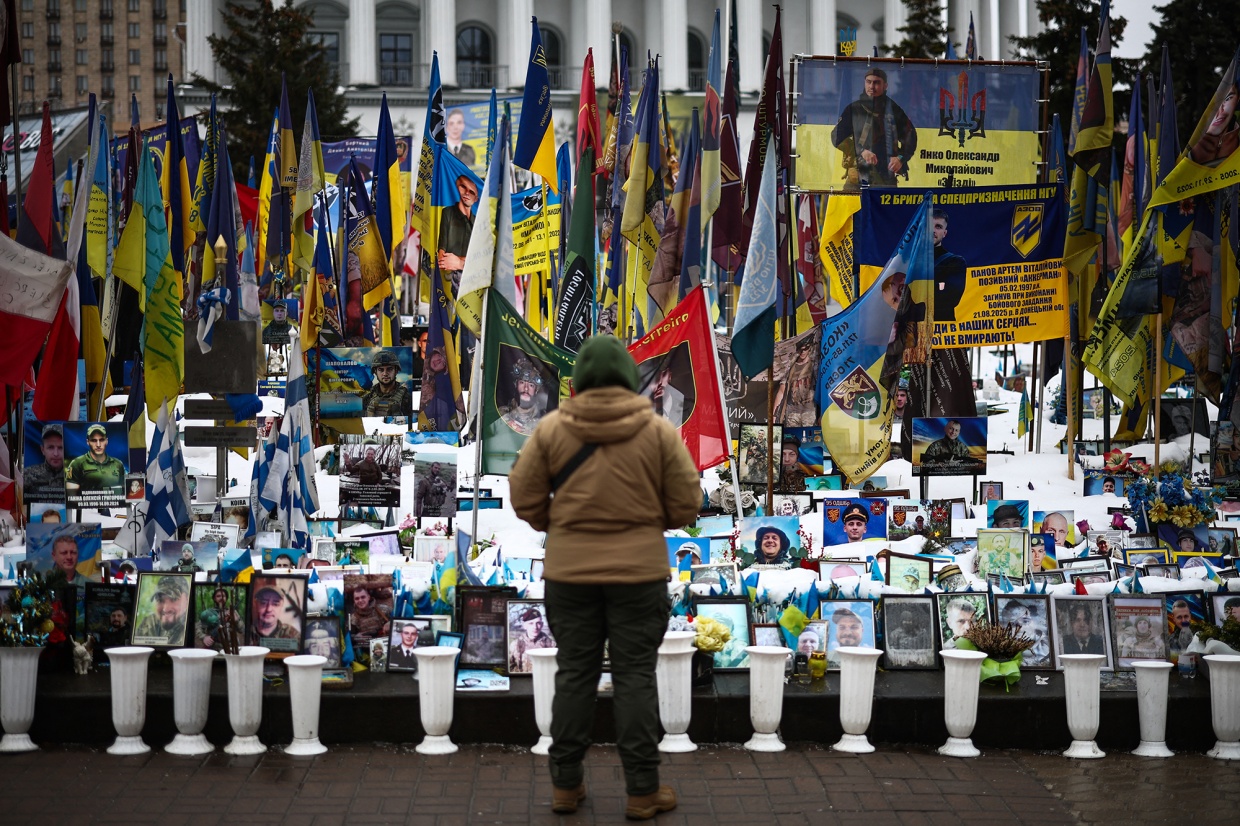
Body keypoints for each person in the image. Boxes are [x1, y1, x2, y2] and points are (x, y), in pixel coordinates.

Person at [508, 335, 700, 819]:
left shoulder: (552, 430)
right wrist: (644, 519)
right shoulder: (656, 432)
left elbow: (524, 495)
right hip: (639, 575)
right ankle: (641, 791)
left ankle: (566, 787)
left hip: (570, 576)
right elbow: (685, 504)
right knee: (636, 677)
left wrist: (559, 524)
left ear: (583, 380)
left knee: (576, 674)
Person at [830, 67, 917, 189]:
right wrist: (861, 151)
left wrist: (900, 159)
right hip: (857, 178)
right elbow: (836, 137)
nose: (871, 86)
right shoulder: (854, 109)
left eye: (876, 82)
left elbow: (911, 138)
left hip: (885, 178)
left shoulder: (894, 110)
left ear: (885, 85)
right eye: (868, 82)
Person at [437, 174, 479, 294]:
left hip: (472, 287)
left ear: (476, 198)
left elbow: (483, 263)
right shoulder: (448, 213)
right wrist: (469, 262)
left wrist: (459, 262)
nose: (466, 193)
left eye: (471, 191)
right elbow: (442, 260)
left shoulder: (478, 223)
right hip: (447, 286)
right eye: (463, 187)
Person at [1188, 82, 1239, 167]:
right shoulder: (1192, 155)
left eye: (1227, 99)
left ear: (1237, 100)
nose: (1220, 111)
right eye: (1215, 105)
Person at [65, 424, 126, 495]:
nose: (98, 444)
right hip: (86, 505)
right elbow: (71, 497)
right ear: (87, 442)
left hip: (113, 505)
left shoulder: (118, 464)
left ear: (106, 441)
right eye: (94, 440)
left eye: (101, 440)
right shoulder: (77, 463)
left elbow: (123, 493)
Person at [931, 209, 968, 321]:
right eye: (929, 226)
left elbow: (951, 299)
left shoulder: (955, 262)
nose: (933, 231)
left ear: (944, 233)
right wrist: (939, 285)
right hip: (910, 330)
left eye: (938, 227)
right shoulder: (906, 261)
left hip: (942, 330)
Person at [774, 337, 818, 427]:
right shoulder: (790, 367)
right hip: (792, 412)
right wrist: (774, 416)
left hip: (809, 411)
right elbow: (782, 392)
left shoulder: (814, 365)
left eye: (806, 348)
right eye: (800, 348)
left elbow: (822, 388)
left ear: (810, 348)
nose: (803, 351)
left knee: (809, 439)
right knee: (791, 438)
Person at [500, 356, 550, 435]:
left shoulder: (546, 422)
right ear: (516, 384)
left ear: (536, 390)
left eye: (531, 385)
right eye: (522, 383)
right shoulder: (501, 414)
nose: (526, 389)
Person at [134, 575, 190, 644]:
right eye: (160, 600)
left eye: (174, 599)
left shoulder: (193, 628)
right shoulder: (149, 622)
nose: (166, 609)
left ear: (187, 600)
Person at [361, 350, 413, 418]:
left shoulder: (406, 398)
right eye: (381, 370)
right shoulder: (368, 398)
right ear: (375, 372)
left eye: (389, 369)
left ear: (396, 371)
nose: (385, 374)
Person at [510, 605, 556, 673]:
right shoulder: (515, 645)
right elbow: (510, 668)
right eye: (531, 623)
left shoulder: (551, 645)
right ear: (524, 625)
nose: (535, 627)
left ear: (542, 625)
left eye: (538, 623)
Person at [24, 423, 66, 497]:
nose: (56, 454)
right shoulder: (27, 475)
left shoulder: (76, 476)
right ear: (42, 450)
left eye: (60, 448)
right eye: (50, 447)